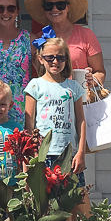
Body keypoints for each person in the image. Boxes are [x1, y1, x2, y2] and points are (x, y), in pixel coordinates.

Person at [24, 36, 87, 176]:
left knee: (75, 194)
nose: (55, 62)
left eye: (60, 58)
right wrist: (32, 152)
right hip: (43, 152)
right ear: (41, 59)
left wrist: (81, 151)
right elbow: (29, 123)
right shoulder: (35, 86)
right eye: (50, 58)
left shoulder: (73, 87)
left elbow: (81, 120)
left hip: (69, 153)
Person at [24, 0, 105, 87]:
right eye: (49, 5)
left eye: (60, 5)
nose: (54, 9)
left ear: (68, 7)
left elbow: (100, 72)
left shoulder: (85, 35)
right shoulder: (39, 40)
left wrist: (92, 80)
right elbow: (39, 74)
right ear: (44, 9)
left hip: (80, 99)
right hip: (51, 99)